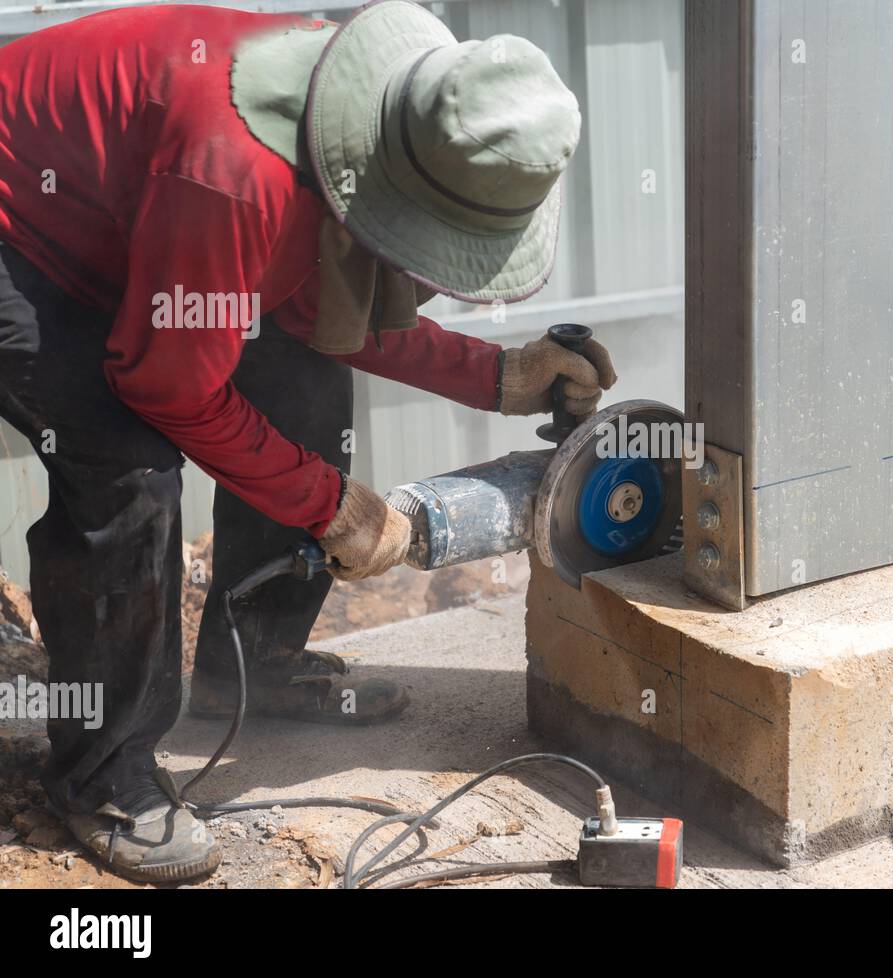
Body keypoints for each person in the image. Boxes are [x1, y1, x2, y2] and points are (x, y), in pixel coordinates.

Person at [0, 0, 614, 882]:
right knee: (126, 469)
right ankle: (103, 774)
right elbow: (166, 381)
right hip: (22, 231)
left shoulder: (389, 116)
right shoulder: (236, 174)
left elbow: (311, 306)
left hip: (149, 220)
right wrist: (333, 507)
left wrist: (495, 375)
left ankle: (248, 662)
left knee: (303, 374)